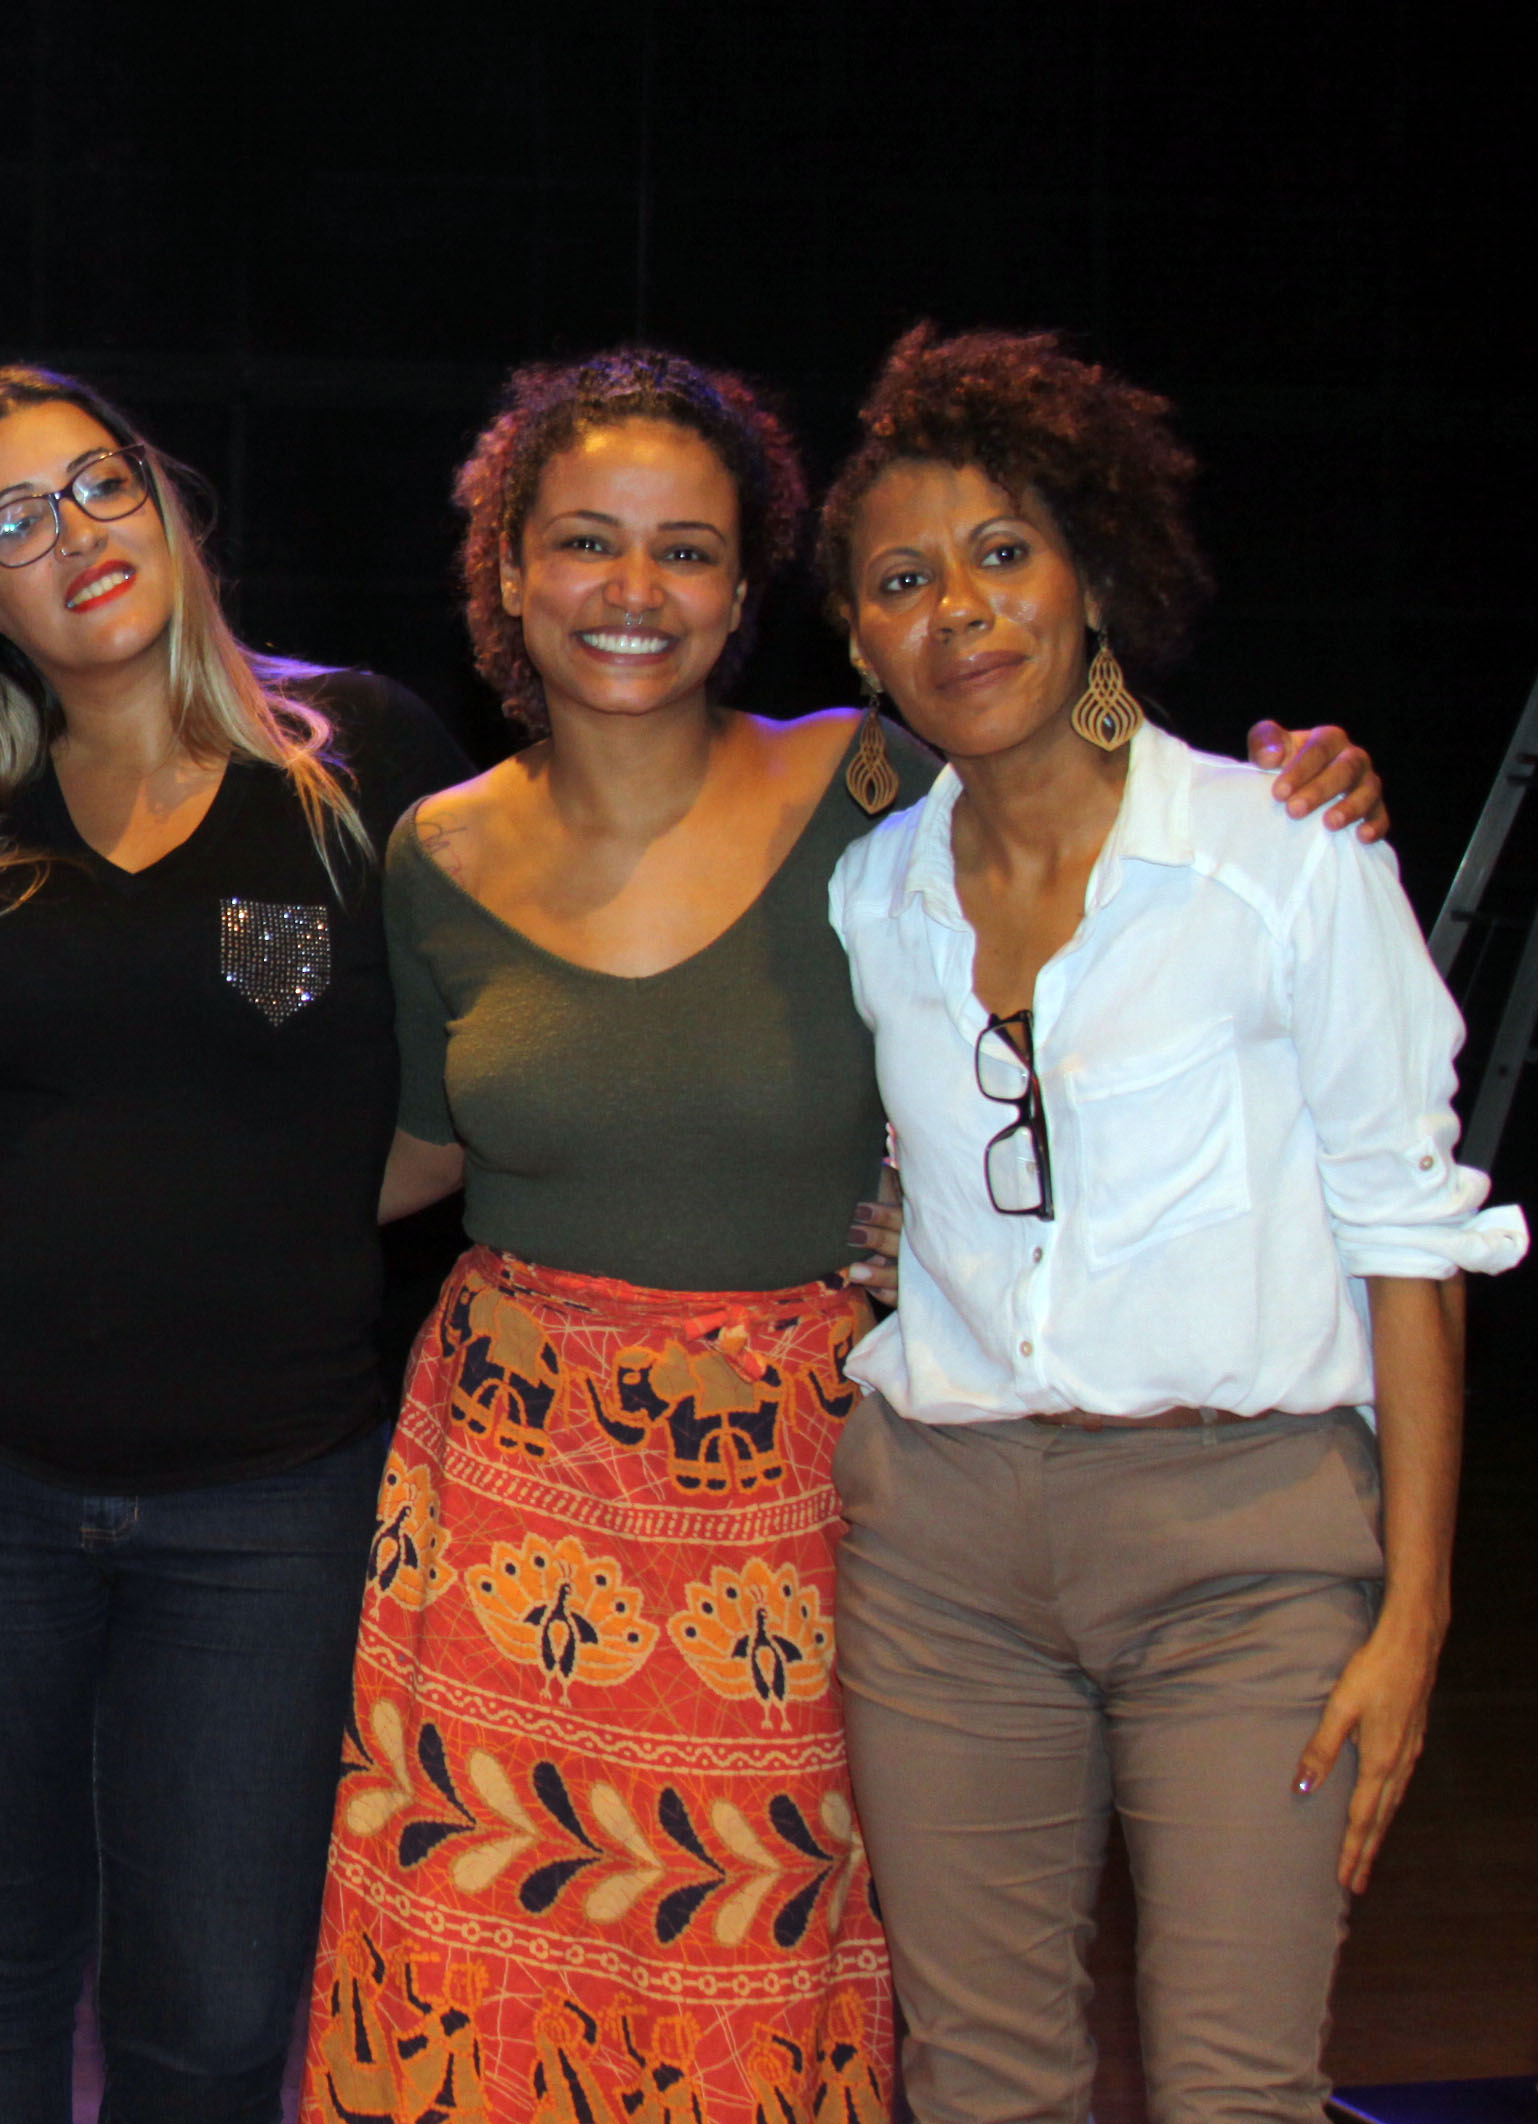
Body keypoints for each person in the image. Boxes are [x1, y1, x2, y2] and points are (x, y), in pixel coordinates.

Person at [301, 347, 1385, 2124]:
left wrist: (1293, 781)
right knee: (486, 1951)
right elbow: (416, 1145)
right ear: (505, 568)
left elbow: (1098, 812)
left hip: (798, 1500)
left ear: (746, 593)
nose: (631, 593)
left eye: (686, 551)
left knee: (774, 1954)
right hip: (504, 1495)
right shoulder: (427, 852)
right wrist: (150, 1192)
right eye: (585, 542)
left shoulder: (874, 793)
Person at [818, 325, 1520, 2124]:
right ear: (856, 641)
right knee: (977, 2083)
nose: (959, 612)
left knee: (1230, 2086)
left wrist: (1412, 1617)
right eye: (903, 581)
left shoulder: (1285, 853)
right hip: (942, 1558)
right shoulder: (870, 894)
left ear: (1091, 578)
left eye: (1000, 555)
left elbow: (1409, 1238)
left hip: (1248, 1557)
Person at [0, 366, 471, 2118]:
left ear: (168, 509)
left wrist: (248, 1220)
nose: (74, 537)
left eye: (100, 486)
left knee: (208, 2012)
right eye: (13, 523)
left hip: (265, 1504)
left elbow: (459, 1093)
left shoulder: (360, 762)